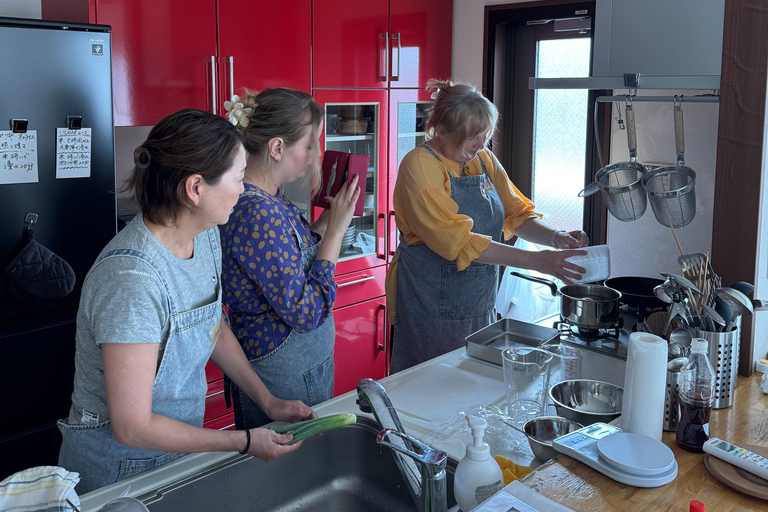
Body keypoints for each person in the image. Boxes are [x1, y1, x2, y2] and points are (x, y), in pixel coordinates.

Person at [58, 109, 315, 494]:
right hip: (116, 474)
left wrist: (269, 401)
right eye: (239, 178)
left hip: (175, 453)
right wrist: (243, 441)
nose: (244, 190)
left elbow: (214, 327)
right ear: (196, 189)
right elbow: (133, 426)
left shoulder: (206, 234)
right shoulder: (131, 280)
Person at [386, 78, 589, 372]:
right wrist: (537, 261)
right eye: (472, 137)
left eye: (485, 135)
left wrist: (557, 239)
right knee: (430, 390)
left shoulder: (481, 159)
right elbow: (460, 241)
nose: (481, 145)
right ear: (441, 131)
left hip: (477, 305)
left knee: (471, 387)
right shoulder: (419, 166)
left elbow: (516, 214)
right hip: (428, 307)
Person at [220, 89, 359, 429]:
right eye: (310, 145)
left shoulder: (269, 197)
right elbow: (306, 310)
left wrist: (330, 217)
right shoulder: (256, 212)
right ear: (278, 147)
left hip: (301, 367)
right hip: (281, 378)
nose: (315, 156)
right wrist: (337, 232)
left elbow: (289, 260)